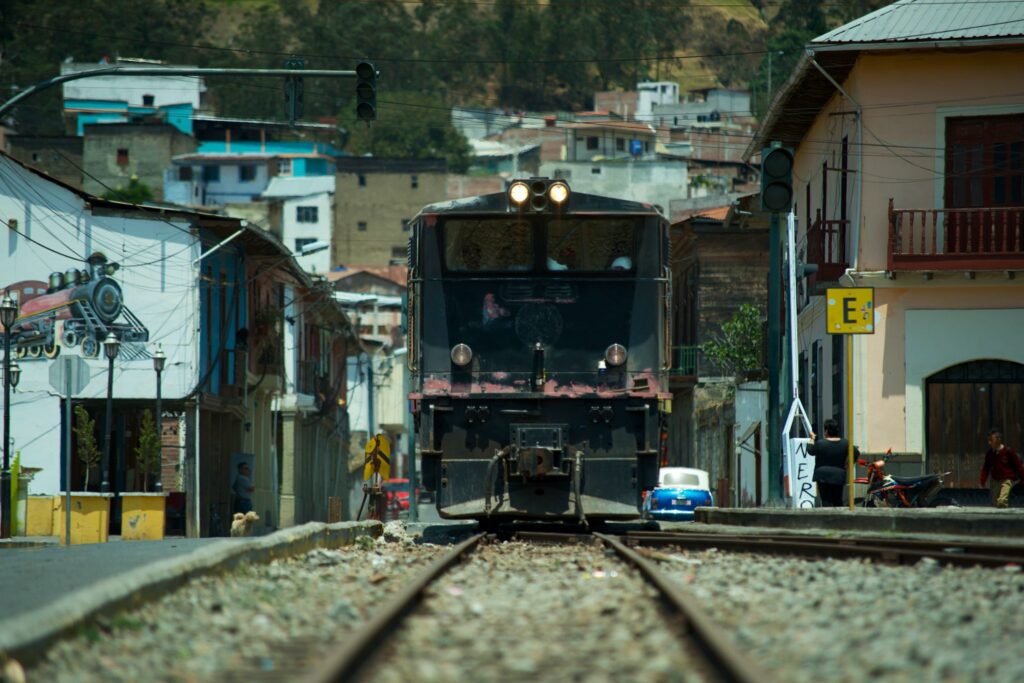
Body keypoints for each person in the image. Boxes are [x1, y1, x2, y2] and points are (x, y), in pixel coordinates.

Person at [808, 419, 859, 507]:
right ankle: (838, 518)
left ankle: (827, 519)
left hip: (822, 474)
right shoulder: (845, 443)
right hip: (838, 474)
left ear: (827, 430)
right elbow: (856, 453)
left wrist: (812, 438)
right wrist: (848, 463)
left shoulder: (821, 443)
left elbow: (810, 451)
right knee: (837, 499)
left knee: (826, 499)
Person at [979, 428, 1024, 509]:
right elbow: (986, 468)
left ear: (998, 439)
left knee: (1002, 501)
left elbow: (1018, 466)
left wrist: (1023, 478)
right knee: (995, 502)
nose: (989, 443)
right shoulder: (990, 454)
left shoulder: (1008, 451)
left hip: (1007, 479)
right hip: (995, 480)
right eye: (988, 440)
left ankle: (1004, 519)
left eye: (991, 440)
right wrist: (982, 481)